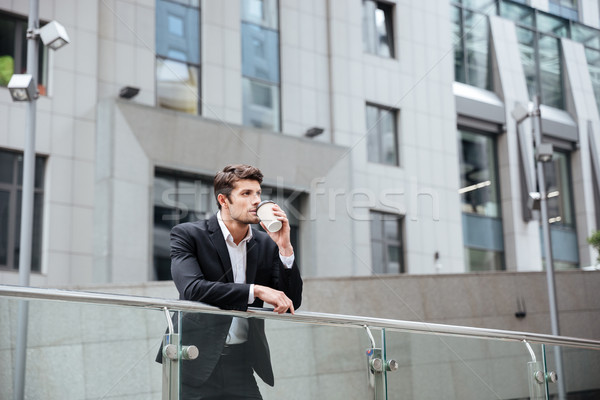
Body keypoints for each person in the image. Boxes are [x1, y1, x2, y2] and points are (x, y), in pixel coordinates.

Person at [159, 164, 303, 399]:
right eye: (246, 194)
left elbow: (292, 301)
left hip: (242, 363)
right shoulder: (188, 234)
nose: (256, 201)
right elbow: (192, 289)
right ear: (224, 200)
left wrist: (285, 247)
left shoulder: (266, 244)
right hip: (193, 360)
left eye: (258, 193)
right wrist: (256, 290)